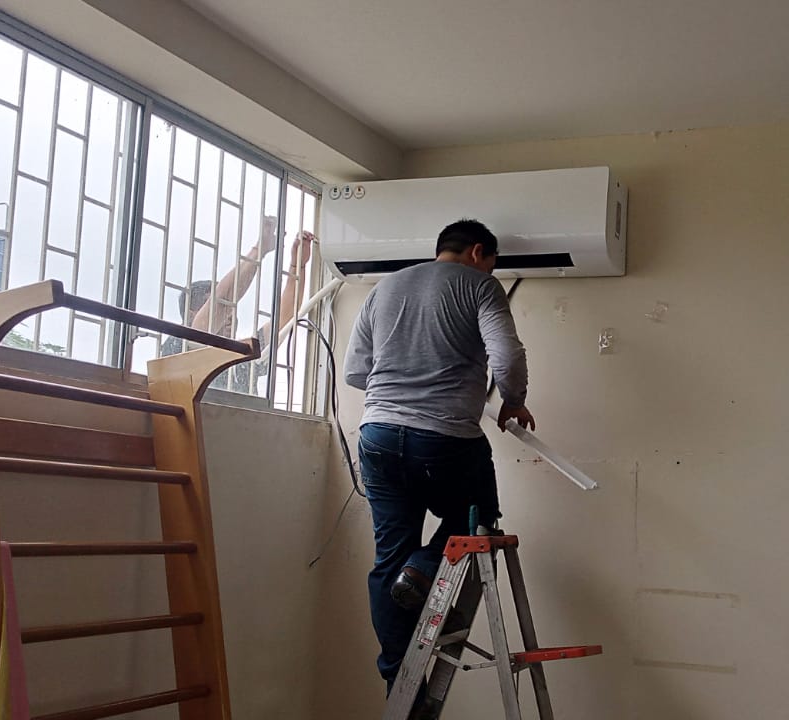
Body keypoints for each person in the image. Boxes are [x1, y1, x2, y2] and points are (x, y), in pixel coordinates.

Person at [343, 218, 534, 691]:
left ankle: (398, 682)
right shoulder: (480, 286)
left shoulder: (386, 288)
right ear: (477, 252)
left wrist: (399, 389)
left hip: (376, 435)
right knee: (480, 516)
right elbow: (507, 357)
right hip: (444, 438)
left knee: (388, 558)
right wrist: (513, 399)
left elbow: (355, 372)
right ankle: (424, 568)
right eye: (490, 264)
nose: (489, 272)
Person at [160, 219, 314, 390]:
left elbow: (285, 316)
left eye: (232, 310)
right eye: (211, 306)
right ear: (191, 315)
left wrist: (297, 265)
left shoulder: (241, 357)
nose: (229, 315)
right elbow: (223, 300)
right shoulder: (178, 347)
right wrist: (259, 249)